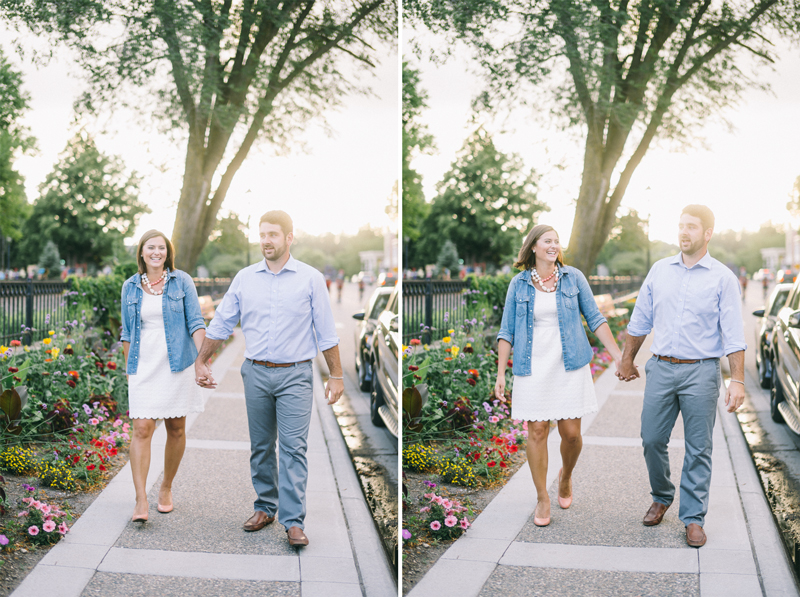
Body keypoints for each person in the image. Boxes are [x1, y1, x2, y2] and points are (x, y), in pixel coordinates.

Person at [193, 210, 344, 547]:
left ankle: (293, 521)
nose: (266, 241)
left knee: (293, 449)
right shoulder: (245, 278)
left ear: (289, 238)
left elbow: (326, 331)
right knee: (261, 447)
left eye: (273, 235)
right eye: (262, 235)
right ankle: (265, 507)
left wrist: (336, 374)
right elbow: (221, 323)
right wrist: (201, 361)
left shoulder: (310, 278)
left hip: (296, 375)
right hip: (256, 372)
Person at [617, 204, 746, 548]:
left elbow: (734, 334)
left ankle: (693, 518)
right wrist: (627, 359)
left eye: (691, 226)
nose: (684, 232)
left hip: (701, 372)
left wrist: (738, 380)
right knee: (652, 438)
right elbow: (640, 320)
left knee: (698, 448)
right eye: (680, 226)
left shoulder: (722, 278)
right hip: (661, 367)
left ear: (707, 233)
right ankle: (662, 495)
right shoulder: (660, 271)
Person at [494, 224, 622, 527]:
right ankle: (542, 497)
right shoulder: (519, 284)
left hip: (569, 364)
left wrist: (619, 356)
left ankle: (565, 476)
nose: (554, 245)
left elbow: (595, 317)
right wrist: (501, 373)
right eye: (547, 241)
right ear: (533, 247)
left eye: (557, 241)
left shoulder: (573, 278)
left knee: (572, 435)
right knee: (537, 431)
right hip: (532, 365)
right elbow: (506, 330)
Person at [121, 230, 208, 523]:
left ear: (167, 252)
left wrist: (202, 361)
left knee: (176, 429)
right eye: (150, 247)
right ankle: (140, 499)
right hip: (144, 363)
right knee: (142, 429)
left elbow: (196, 322)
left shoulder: (181, 281)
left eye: (161, 247)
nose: (156, 252)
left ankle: (166, 488)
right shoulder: (130, 287)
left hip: (177, 362)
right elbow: (126, 334)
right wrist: (129, 372)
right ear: (142, 253)